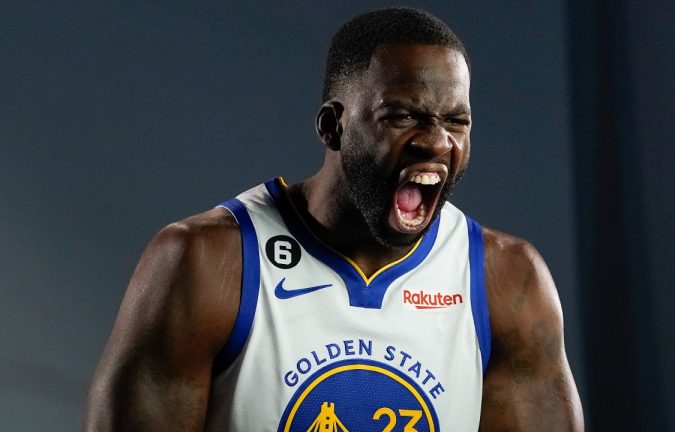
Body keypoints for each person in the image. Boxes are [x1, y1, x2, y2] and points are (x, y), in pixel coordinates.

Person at [84, 7, 583, 431]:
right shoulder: (208, 263)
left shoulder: (507, 281)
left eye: (457, 121)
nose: (436, 142)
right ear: (333, 127)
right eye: (402, 116)